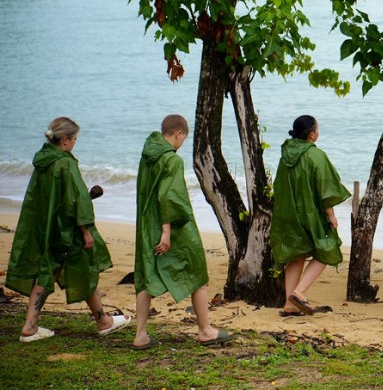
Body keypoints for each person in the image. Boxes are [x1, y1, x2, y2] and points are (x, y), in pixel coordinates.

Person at [6, 117, 131, 342]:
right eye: (74, 139)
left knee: (62, 270)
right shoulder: (65, 163)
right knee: (72, 270)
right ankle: (32, 326)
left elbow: (43, 197)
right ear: (64, 140)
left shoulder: (43, 161)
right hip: (67, 229)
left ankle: (101, 320)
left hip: (47, 228)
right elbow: (76, 200)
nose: (75, 143)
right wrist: (85, 231)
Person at [133, 114, 234, 349]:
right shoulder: (172, 160)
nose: (181, 144)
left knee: (147, 276)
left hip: (147, 224)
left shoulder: (147, 155)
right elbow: (169, 196)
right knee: (197, 269)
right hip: (171, 225)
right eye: (183, 139)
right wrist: (166, 231)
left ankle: (140, 335)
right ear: (178, 134)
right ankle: (206, 330)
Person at [270, 115, 349, 316]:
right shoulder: (316, 156)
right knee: (327, 250)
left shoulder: (285, 156)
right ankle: (299, 292)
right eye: (317, 129)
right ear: (312, 134)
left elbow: (278, 185)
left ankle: (289, 305)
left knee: (296, 256)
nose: (319, 132)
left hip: (287, 212)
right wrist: (331, 215)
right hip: (310, 213)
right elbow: (326, 190)